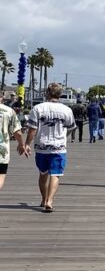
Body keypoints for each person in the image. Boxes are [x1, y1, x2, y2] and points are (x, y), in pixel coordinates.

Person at [24, 83, 76, 213]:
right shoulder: (66, 110)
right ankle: (50, 201)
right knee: (56, 174)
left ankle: (43, 198)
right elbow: (71, 127)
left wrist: (27, 144)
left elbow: (32, 129)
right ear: (60, 94)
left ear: (47, 93)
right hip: (59, 147)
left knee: (43, 173)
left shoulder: (38, 108)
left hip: (41, 146)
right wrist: (63, 136)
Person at [0, 92, 27, 192]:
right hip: (2, 150)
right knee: (1, 175)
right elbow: (17, 132)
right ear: (2, 97)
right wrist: (21, 144)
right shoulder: (9, 111)